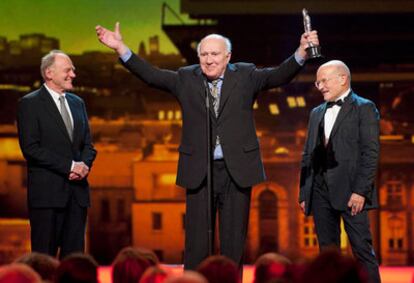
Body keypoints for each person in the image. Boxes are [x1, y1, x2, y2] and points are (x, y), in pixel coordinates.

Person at [96, 22, 319, 270]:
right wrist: (120, 48)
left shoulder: (245, 75)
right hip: (199, 171)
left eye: (214, 54)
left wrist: (301, 52)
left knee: (233, 242)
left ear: (227, 56)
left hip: (237, 170)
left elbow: (278, 75)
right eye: (204, 54)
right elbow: (151, 75)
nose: (209, 60)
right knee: (197, 244)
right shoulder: (186, 78)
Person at [299, 60, 381, 283]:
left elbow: (370, 153)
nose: (320, 86)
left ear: (343, 79)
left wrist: (360, 192)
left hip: (352, 193)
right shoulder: (316, 112)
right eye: (317, 82)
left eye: (324, 81)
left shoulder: (364, 107)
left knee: (362, 251)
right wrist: (305, 192)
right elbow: (308, 155)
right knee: (327, 255)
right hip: (319, 192)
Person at [17, 50, 97, 259]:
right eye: (68, 70)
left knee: (75, 262)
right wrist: (70, 166)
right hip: (47, 197)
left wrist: (84, 166)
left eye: (73, 70)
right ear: (49, 73)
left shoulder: (77, 103)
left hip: (77, 196)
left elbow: (88, 145)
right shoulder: (29, 104)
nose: (73, 74)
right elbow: (31, 149)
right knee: (45, 261)